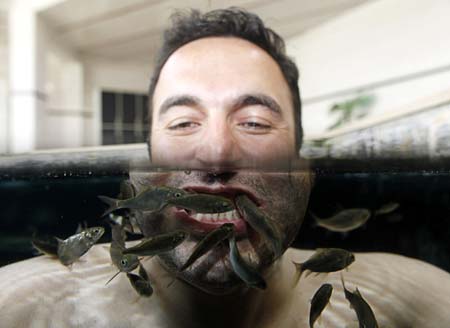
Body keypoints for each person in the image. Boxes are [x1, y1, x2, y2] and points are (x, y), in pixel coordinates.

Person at [1, 8, 450, 328]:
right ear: (137, 169)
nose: (216, 151)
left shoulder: (413, 301)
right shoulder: (21, 307)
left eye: (254, 122)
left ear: (305, 167)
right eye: (182, 122)